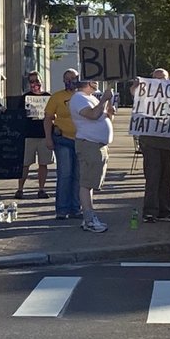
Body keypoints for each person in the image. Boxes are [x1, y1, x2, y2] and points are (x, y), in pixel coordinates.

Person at [137, 69, 170, 223]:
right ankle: (150, 211)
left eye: (163, 78)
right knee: (153, 177)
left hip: (169, 142)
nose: (160, 82)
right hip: (150, 142)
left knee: (168, 178)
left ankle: (165, 211)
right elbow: (134, 94)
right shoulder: (145, 96)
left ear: (168, 79)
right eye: (156, 79)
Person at [70, 77, 114, 233]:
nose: (97, 84)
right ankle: (89, 218)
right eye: (94, 81)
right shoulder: (78, 98)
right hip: (89, 144)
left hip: (97, 144)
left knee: (92, 182)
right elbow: (92, 115)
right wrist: (104, 100)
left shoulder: (90, 98)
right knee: (87, 183)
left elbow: (102, 116)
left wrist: (108, 109)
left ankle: (89, 216)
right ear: (89, 83)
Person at [43, 68, 82, 220]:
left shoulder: (83, 96)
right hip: (63, 140)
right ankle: (61, 209)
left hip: (81, 140)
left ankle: (75, 208)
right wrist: (48, 138)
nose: (70, 81)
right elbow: (48, 118)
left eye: (73, 78)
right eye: (67, 78)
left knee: (78, 176)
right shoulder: (57, 97)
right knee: (65, 174)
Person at [14, 70, 53, 199]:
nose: (35, 84)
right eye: (32, 81)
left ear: (41, 81)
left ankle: (41, 189)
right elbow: (18, 116)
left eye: (37, 80)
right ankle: (20, 189)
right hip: (28, 135)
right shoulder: (25, 98)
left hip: (44, 135)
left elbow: (53, 115)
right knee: (25, 164)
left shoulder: (48, 97)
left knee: (43, 163)